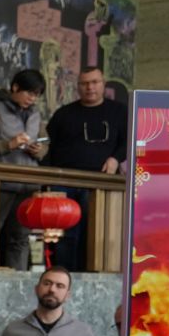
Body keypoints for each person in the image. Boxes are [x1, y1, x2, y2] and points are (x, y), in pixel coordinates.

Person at [45, 66, 130, 271]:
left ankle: (96, 273)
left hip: (101, 182)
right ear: (78, 87)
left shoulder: (119, 111)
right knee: (66, 236)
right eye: (84, 83)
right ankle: (63, 276)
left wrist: (115, 159)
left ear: (103, 84)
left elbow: (129, 141)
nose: (90, 87)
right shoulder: (64, 114)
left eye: (94, 82)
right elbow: (51, 148)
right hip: (66, 182)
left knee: (99, 232)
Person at [0, 69, 49, 268]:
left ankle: (18, 283)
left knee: (21, 238)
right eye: (29, 92)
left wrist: (39, 150)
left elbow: (45, 143)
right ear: (15, 87)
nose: (32, 98)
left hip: (29, 186)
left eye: (37, 94)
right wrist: (8, 144)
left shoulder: (35, 115)